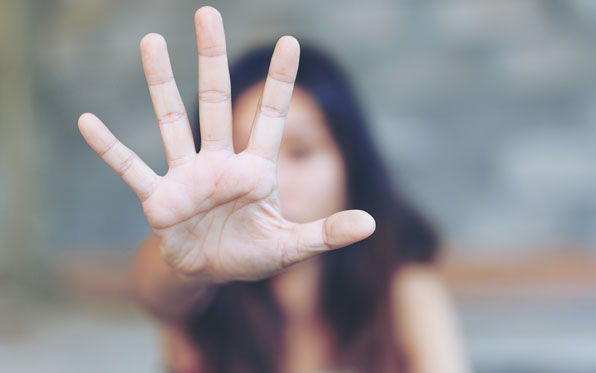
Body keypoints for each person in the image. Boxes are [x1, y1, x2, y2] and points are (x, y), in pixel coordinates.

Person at [77, 6, 469, 372]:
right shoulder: (206, 297)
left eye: (301, 151)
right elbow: (157, 288)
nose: (268, 185)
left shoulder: (403, 289)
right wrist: (187, 269)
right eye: (242, 157)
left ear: (350, 161)